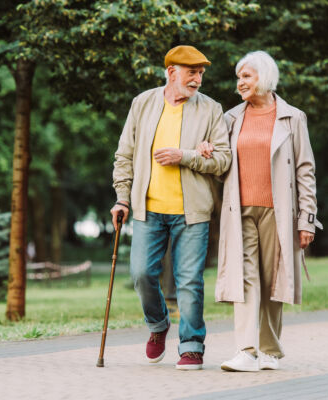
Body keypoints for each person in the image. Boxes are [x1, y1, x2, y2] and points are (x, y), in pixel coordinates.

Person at [111, 45, 231, 370]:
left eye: (201, 73)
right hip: (148, 211)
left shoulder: (211, 109)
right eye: (192, 72)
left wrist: (187, 156)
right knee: (141, 274)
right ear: (171, 72)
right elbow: (124, 155)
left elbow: (223, 161)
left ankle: (192, 345)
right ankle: (158, 324)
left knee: (189, 280)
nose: (198, 80)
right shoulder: (143, 103)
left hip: (192, 213)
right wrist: (122, 197)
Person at [210, 51, 322, 372]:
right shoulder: (231, 118)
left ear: (265, 77)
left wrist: (307, 220)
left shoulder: (292, 118)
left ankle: (270, 350)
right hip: (240, 210)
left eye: (246, 76)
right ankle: (246, 351)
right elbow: (222, 168)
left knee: (273, 279)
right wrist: (208, 153)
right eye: (238, 77)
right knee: (245, 278)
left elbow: (305, 170)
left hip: (279, 211)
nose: (239, 83)